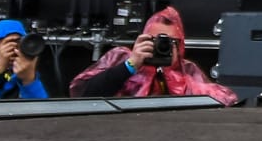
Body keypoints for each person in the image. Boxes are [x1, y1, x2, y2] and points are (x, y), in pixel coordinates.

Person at [69, 7, 238, 106]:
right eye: (155, 40)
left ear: (180, 45)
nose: (161, 46)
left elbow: (224, 100)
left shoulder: (188, 71)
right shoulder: (121, 59)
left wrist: (176, 79)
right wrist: (130, 66)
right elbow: (84, 96)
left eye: (170, 41)